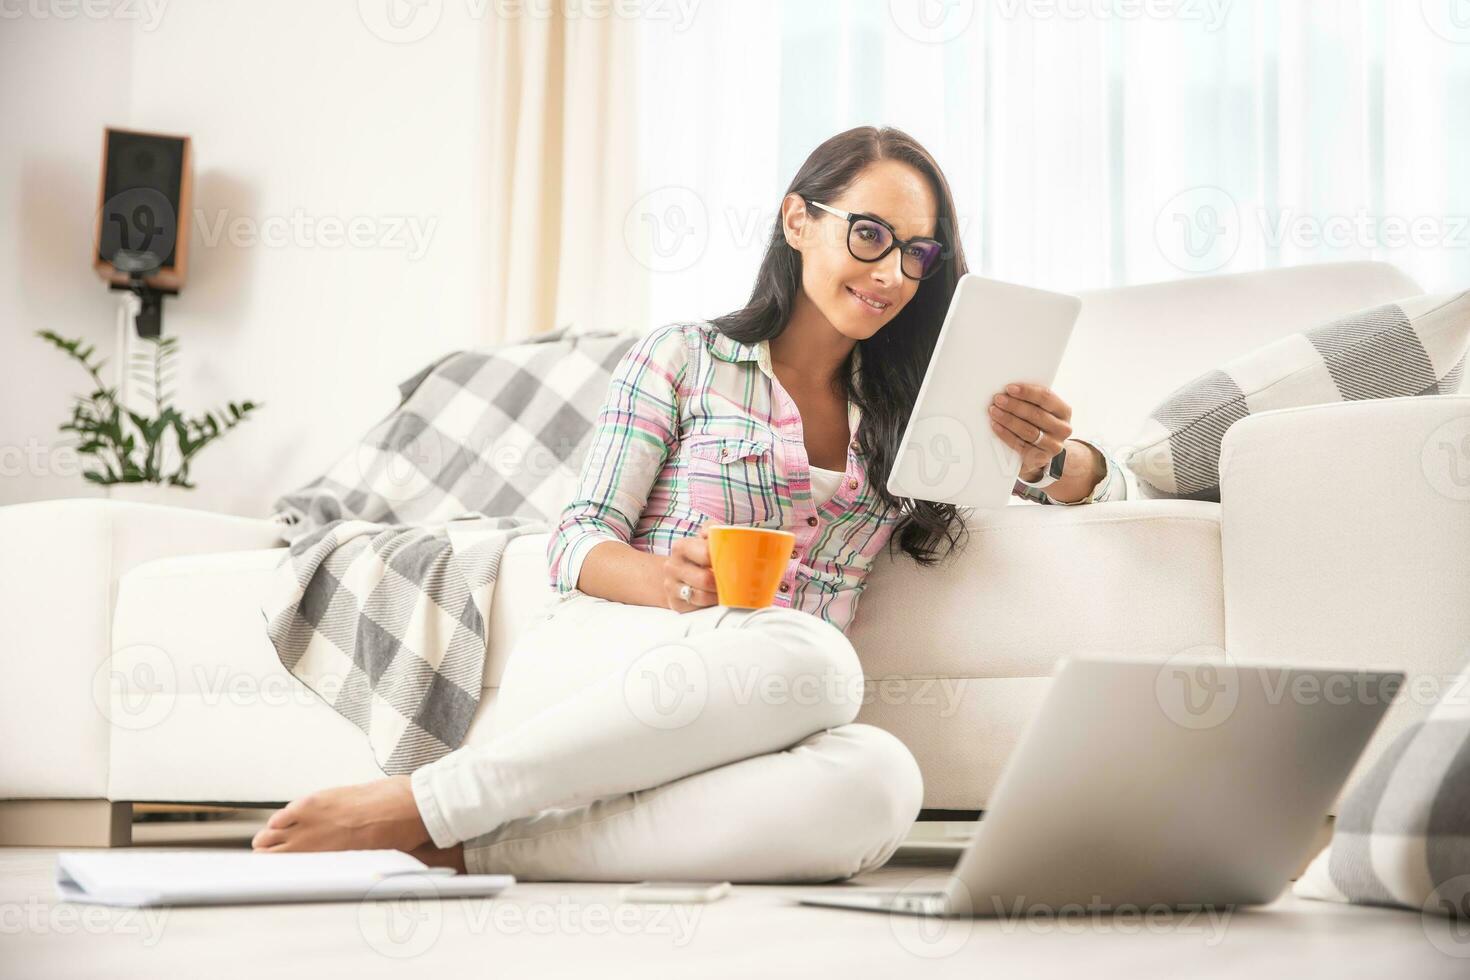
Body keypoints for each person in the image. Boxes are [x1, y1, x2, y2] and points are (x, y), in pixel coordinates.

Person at [251, 125, 1128, 881]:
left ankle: (470, 851)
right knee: (820, 658)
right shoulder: (684, 358)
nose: (892, 271)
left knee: (884, 781)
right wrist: (665, 581)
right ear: (798, 220)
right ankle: (433, 798)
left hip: (769, 712)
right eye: (869, 235)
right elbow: (577, 542)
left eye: (916, 251)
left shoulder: (915, 409)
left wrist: (1054, 457)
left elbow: (1094, 483)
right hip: (638, 664)